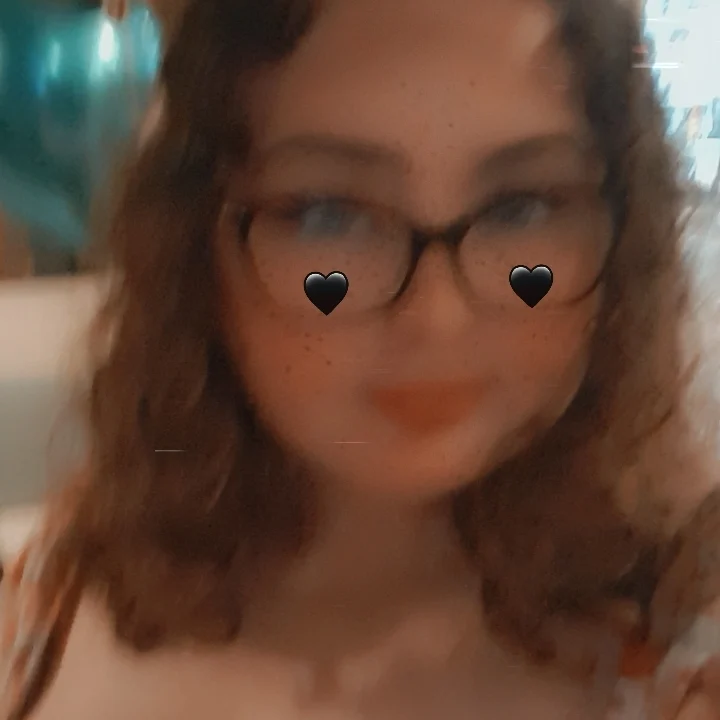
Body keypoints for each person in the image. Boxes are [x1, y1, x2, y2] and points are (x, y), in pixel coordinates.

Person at [1, 0, 720, 717]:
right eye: (330, 214)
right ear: (194, 245)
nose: (438, 319)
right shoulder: (56, 592)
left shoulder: (684, 648)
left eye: (522, 207)